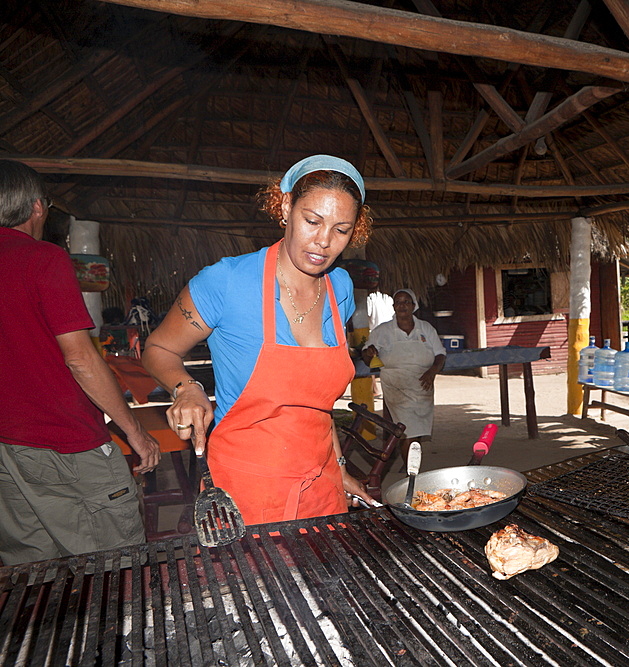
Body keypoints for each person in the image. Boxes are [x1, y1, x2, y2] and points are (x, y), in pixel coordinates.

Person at [142, 155, 376, 525]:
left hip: (323, 487)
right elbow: (158, 349)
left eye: (341, 229)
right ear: (285, 206)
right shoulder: (226, 282)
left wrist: (339, 466)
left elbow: (317, 404)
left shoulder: (340, 288)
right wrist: (186, 387)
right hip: (245, 493)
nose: (323, 242)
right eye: (312, 221)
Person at [0, 159, 160, 565]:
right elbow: (81, 359)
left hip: (6, 447)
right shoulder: (43, 259)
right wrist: (134, 431)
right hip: (66, 442)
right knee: (115, 563)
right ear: (37, 207)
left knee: (32, 569)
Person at [361, 289, 446, 449]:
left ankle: (411, 463)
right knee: (407, 427)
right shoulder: (382, 330)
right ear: (393, 306)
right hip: (396, 385)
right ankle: (411, 469)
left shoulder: (425, 328)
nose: (402, 306)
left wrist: (432, 371)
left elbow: (440, 353)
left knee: (418, 428)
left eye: (406, 302)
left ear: (414, 305)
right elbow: (366, 358)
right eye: (398, 302)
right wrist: (369, 352)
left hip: (422, 384)